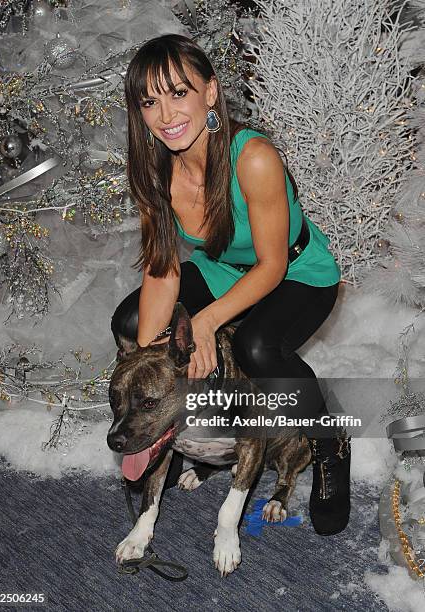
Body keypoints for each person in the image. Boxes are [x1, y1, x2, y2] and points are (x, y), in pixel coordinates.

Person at [111, 33, 351, 536]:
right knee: (131, 322)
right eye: (149, 101)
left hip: (296, 270)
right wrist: (162, 353)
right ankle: (174, 428)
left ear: (211, 93)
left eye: (179, 93)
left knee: (257, 345)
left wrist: (203, 322)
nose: (166, 114)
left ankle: (329, 443)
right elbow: (162, 267)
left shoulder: (253, 156)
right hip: (224, 268)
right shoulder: (153, 168)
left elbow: (271, 264)